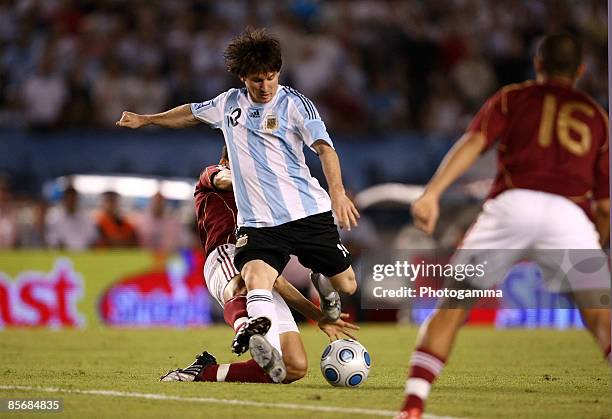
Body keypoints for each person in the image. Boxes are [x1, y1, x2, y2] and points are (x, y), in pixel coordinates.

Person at [397, 33, 611, 419]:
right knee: (601, 318)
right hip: (570, 215)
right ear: (580, 71)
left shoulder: (513, 97)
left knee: (452, 308)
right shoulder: (597, 116)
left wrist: (433, 193)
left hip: (512, 206)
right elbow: (607, 206)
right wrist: (595, 241)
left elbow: (474, 142)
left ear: (537, 64)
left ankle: (412, 406)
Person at [117, 28, 359, 363]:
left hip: (307, 213)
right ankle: (255, 329)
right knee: (255, 278)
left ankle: (322, 285)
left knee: (347, 286)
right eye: (257, 80)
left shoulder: (295, 104)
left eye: (271, 78)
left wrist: (338, 192)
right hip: (259, 224)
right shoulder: (229, 104)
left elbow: (325, 149)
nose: (265, 87)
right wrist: (147, 119)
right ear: (243, 76)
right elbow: (189, 112)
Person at [160, 148, 358, 384]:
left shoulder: (265, 213)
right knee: (240, 282)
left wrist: (319, 317)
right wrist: (259, 181)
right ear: (225, 160)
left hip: (256, 264)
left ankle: (204, 372)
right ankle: (247, 326)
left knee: (293, 367)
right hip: (226, 255)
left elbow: (277, 281)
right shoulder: (213, 174)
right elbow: (226, 179)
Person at [47, 186, 97, 250]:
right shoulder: (55, 218)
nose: (71, 201)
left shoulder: (86, 218)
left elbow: (93, 237)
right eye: (68, 199)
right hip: (64, 255)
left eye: (73, 198)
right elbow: (53, 241)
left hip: (85, 255)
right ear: (64, 200)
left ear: (77, 200)